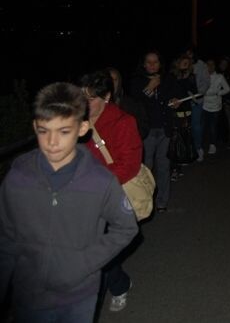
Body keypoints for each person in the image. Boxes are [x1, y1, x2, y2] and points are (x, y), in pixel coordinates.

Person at [0, 82, 138, 322]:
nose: (52, 142)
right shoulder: (18, 178)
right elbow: (6, 238)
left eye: (64, 131)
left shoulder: (100, 180)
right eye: (44, 130)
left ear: (82, 128)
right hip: (29, 295)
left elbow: (126, 227)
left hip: (79, 296)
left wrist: (85, 262)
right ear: (35, 126)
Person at [80, 70, 142, 313]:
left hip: (109, 198)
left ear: (106, 97)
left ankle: (112, 289)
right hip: (79, 200)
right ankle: (120, 282)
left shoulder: (123, 122)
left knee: (99, 254)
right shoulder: (75, 122)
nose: (85, 103)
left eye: (91, 98)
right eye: (81, 97)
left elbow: (129, 165)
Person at [131, 51, 179, 212]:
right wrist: (149, 87)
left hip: (165, 128)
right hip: (147, 131)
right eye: (148, 62)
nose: (152, 65)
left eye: (155, 62)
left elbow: (173, 97)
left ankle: (162, 202)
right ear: (143, 64)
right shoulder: (137, 81)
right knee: (146, 167)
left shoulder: (168, 79)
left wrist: (175, 102)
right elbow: (136, 102)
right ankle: (146, 201)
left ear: (160, 64)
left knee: (164, 166)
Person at [202, 58, 230, 157]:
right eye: (208, 64)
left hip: (215, 106)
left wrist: (218, 93)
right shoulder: (202, 76)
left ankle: (212, 144)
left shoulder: (219, 77)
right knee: (204, 126)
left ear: (214, 66)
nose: (210, 67)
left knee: (213, 126)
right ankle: (203, 145)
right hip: (204, 105)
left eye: (212, 64)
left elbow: (227, 89)